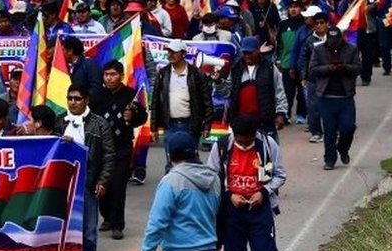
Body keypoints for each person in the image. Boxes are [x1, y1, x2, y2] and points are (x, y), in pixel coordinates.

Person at [207, 115, 286, 251]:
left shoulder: (267, 145)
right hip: (232, 212)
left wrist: (264, 191)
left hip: (259, 209)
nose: (244, 144)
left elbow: (279, 174)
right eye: (241, 141)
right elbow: (212, 177)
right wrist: (229, 194)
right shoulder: (223, 146)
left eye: (248, 140)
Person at [57, 84, 115, 251]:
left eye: (77, 98)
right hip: (63, 187)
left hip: (88, 185)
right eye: (70, 98)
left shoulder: (100, 124)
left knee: (88, 233)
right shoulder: (59, 121)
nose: (73, 102)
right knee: (61, 233)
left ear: (86, 101)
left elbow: (109, 155)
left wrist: (102, 180)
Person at [11, 105, 68, 251]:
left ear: (39, 123)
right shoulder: (26, 144)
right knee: (26, 248)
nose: (26, 123)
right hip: (29, 205)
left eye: (30, 119)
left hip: (52, 205)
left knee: (51, 249)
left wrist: (69, 145)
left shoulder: (62, 143)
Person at [92, 60, 147, 239]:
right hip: (100, 149)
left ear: (122, 76)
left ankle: (117, 225)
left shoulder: (131, 95)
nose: (109, 78)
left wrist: (133, 116)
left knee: (118, 186)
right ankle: (107, 217)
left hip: (122, 147)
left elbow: (143, 117)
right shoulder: (96, 95)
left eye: (113, 74)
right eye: (106, 74)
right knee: (102, 185)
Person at [151, 39, 213, 170]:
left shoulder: (197, 74)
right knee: (170, 163)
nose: (170, 55)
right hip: (170, 126)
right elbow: (155, 101)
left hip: (191, 126)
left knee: (191, 163)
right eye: (169, 51)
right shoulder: (163, 74)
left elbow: (207, 101)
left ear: (183, 53)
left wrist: (207, 125)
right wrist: (154, 128)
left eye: (174, 52)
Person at [310, 27, 361, 170]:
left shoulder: (351, 49)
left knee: (348, 127)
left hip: (345, 96)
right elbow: (313, 70)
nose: (334, 44)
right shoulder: (318, 50)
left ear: (341, 38)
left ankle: (343, 148)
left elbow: (358, 68)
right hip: (326, 97)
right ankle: (329, 159)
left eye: (336, 41)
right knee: (329, 131)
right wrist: (328, 69)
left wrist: (344, 68)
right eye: (331, 41)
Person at [226, 37, 287, 141]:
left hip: (265, 121)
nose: (247, 56)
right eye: (244, 53)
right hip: (241, 123)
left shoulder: (270, 68)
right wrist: (218, 82)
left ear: (258, 51)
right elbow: (227, 92)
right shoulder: (235, 69)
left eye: (250, 52)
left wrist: (280, 113)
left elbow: (279, 91)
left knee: (268, 153)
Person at [273, 0, 307, 124]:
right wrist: (279, 61)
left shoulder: (305, 24)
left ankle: (301, 114)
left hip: (302, 64)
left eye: (296, 7)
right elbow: (279, 45)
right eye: (291, 7)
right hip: (286, 63)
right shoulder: (283, 25)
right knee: (287, 91)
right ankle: (286, 115)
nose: (293, 9)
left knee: (302, 91)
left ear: (301, 9)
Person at [297, 11, 329, 143]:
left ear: (327, 24)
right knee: (313, 106)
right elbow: (303, 59)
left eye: (322, 23)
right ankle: (316, 132)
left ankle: (332, 130)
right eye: (317, 23)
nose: (319, 26)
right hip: (314, 78)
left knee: (330, 105)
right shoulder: (309, 40)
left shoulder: (334, 37)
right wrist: (304, 76)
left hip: (331, 77)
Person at [62, 35, 103, 101]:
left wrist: (82, 100)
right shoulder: (64, 66)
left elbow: (96, 87)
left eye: (63, 50)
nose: (60, 53)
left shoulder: (90, 65)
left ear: (70, 51)